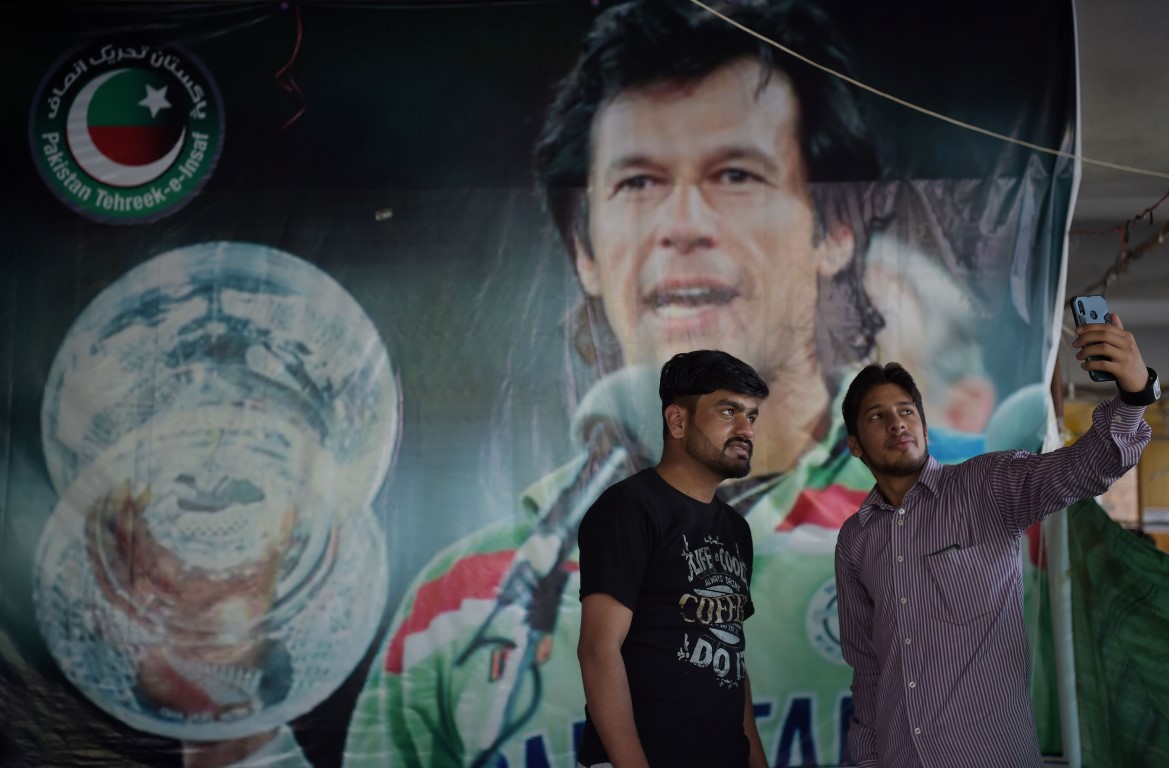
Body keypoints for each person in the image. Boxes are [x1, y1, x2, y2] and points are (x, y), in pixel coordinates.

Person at [342, 2, 893, 766]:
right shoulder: (461, 610)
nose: (681, 224)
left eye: (734, 174)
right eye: (638, 183)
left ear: (834, 228)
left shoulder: (961, 540)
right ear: (586, 252)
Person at [834, 316, 1158, 768]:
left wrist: (1135, 396)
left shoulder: (983, 487)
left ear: (925, 429)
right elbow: (868, 670)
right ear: (855, 444)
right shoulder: (855, 539)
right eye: (877, 415)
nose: (896, 423)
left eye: (906, 411)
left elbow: (1082, 468)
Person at [575, 350, 769, 768]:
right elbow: (598, 649)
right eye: (728, 411)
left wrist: (755, 758)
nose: (745, 430)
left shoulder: (737, 528)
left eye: (752, 416)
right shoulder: (629, 509)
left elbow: (731, 656)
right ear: (677, 421)